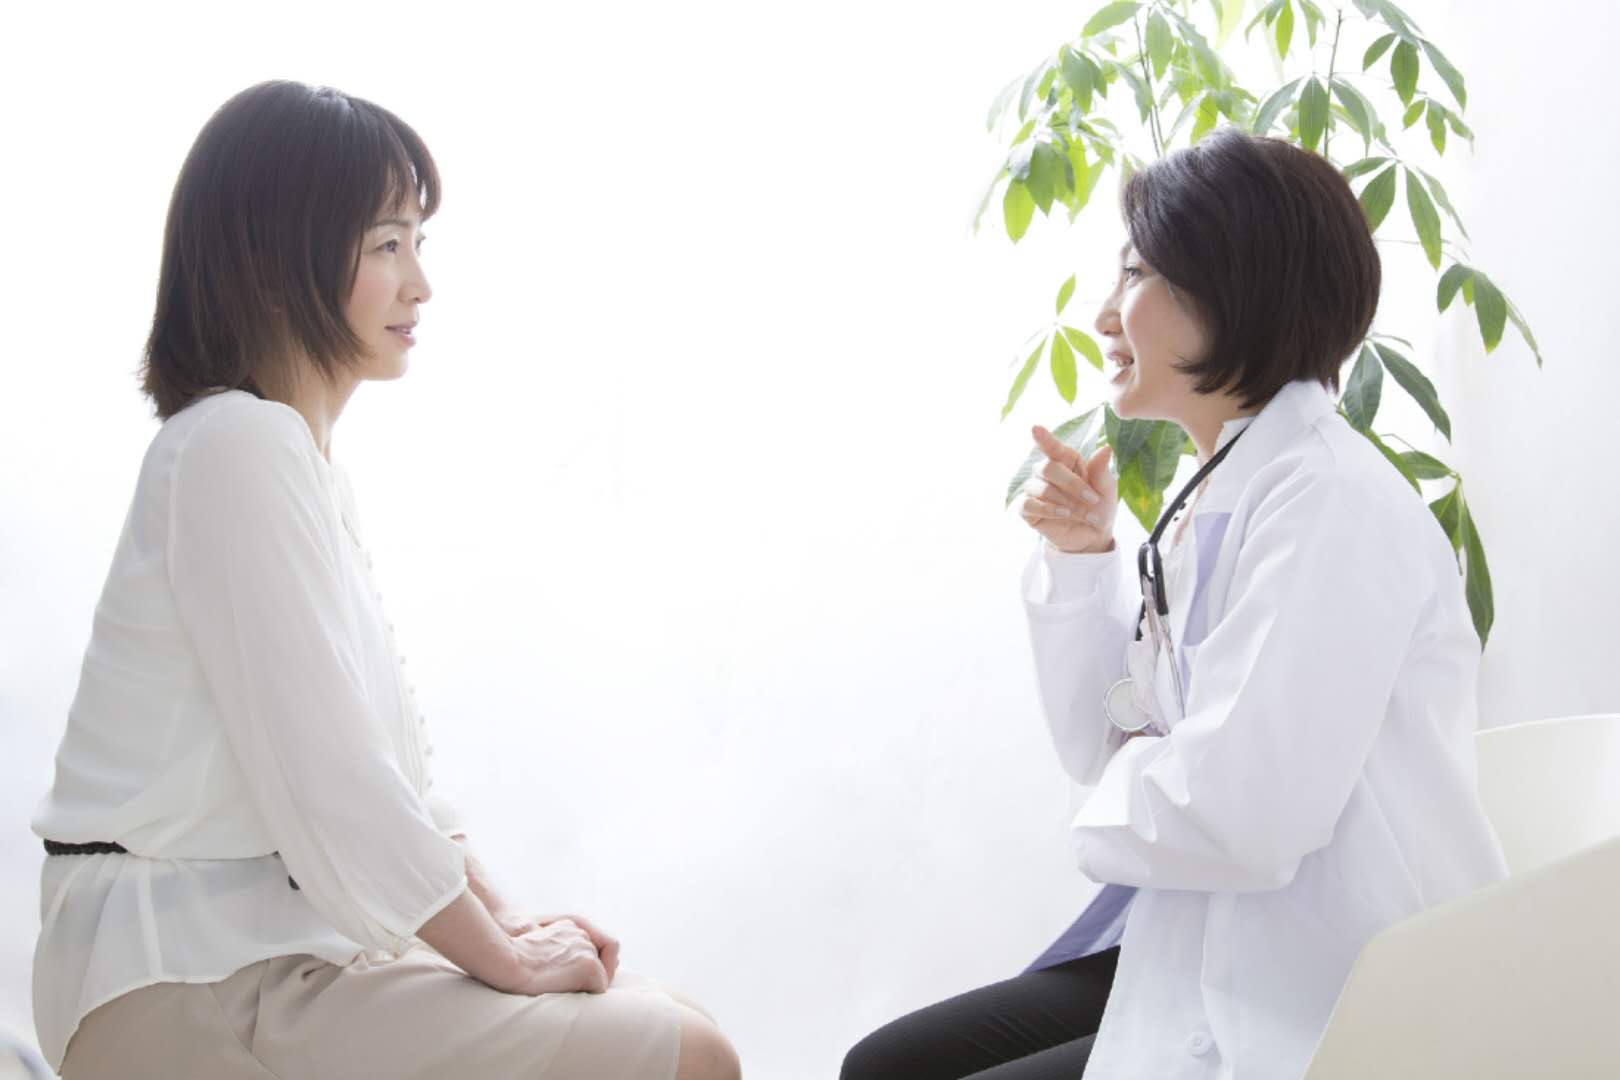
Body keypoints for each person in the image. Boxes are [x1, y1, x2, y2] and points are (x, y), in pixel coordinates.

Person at [30, 80, 740, 1080]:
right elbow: (330, 778)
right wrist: (499, 954)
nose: (420, 284)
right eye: (386, 245)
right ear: (275, 267)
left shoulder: (295, 462)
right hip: (185, 979)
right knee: (683, 1053)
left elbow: (387, 771)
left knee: (669, 1021)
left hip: (265, 951)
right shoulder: (238, 446)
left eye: (418, 242)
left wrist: (506, 918)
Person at [842, 126, 1509, 1079]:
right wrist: (1085, 563)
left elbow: (1241, 817)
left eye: (1134, 274)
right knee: (886, 1064)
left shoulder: (1329, 504)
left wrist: (1128, 790)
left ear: (1235, 287)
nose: (1103, 316)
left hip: (1332, 985)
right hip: (1212, 935)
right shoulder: (1223, 494)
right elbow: (1108, 743)